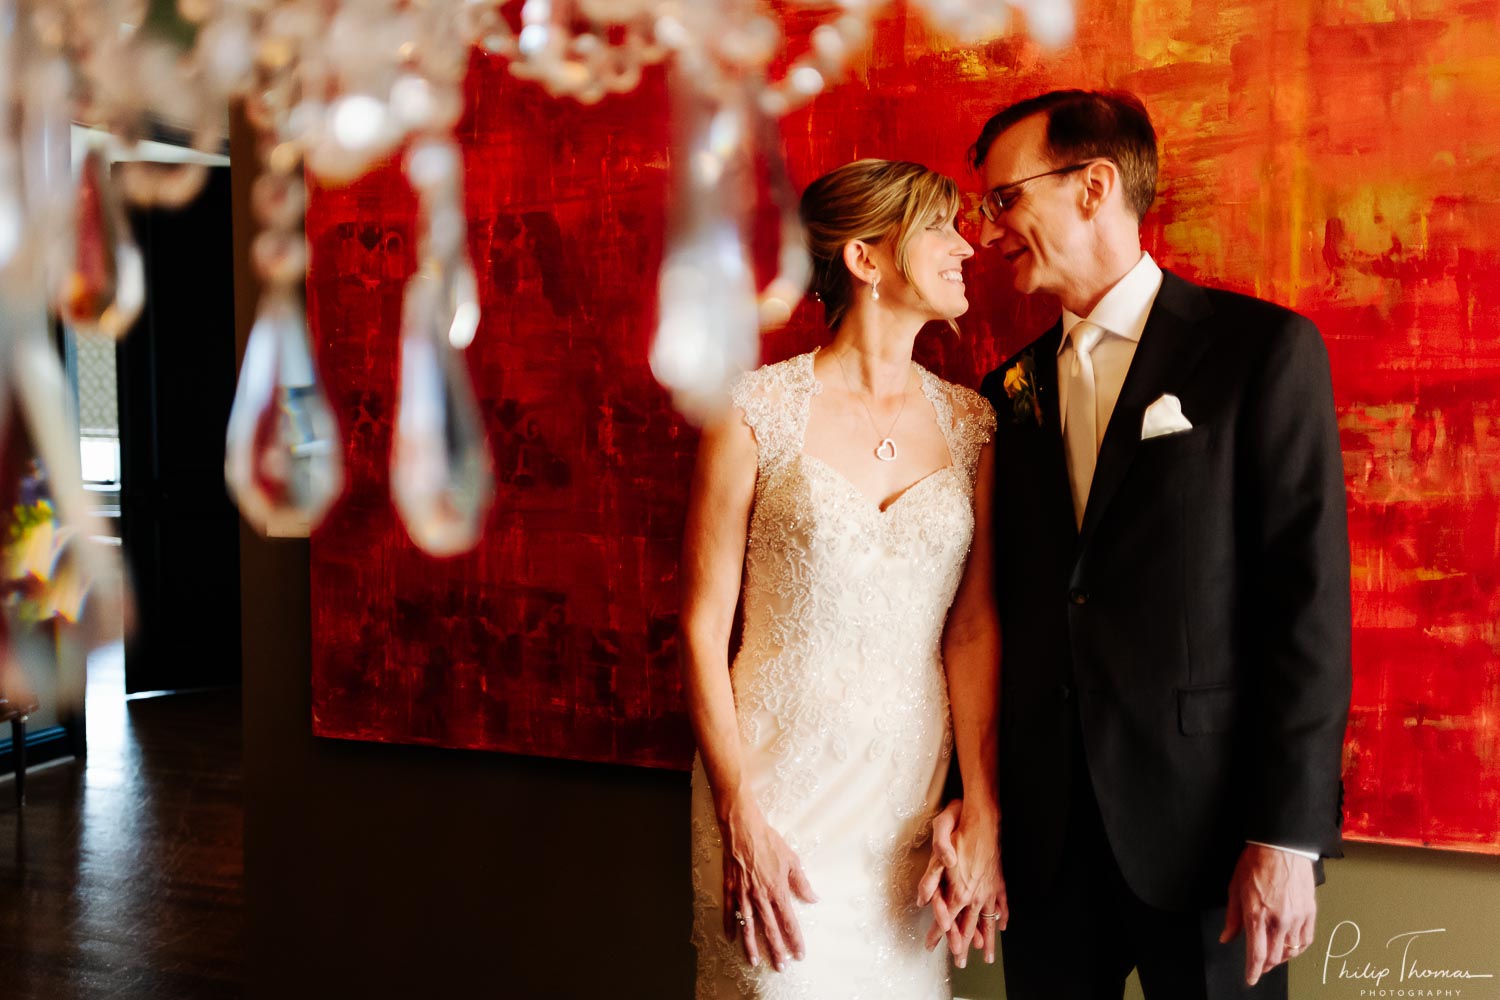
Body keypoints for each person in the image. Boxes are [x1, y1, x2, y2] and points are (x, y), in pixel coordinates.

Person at [922, 90, 1353, 998]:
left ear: (1094, 185)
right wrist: (979, 800)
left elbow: (1305, 608)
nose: (990, 231)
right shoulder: (1008, 392)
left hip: (1209, 842)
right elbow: (995, 612)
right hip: (1044, 849)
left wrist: (1285, 836)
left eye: (1005, 200)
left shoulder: (1262, 352)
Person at [680, 158, 1006, 999]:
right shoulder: (754, 411)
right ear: (865, 260)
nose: (964, 247)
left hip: (906, 804)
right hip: (774, 796)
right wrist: (739, 812)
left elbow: (971, 629)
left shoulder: (972, 425)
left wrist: (983, 807)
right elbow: (701, 627)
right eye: (939, 227)